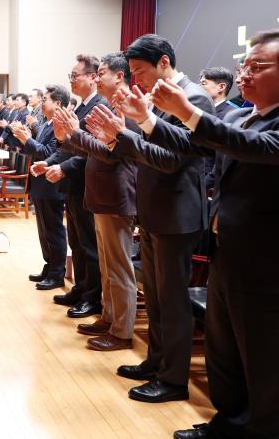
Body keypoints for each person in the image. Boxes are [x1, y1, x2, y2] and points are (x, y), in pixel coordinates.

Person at [120, 29, 279, 439]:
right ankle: (229, 422)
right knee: (222, 348)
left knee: (260, 356)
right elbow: (194, 145)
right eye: (244, 65)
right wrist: (147, 120)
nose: (244, 74)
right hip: (228, 249)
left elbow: (254, 148)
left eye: (257, 66)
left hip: (264, 260)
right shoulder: (242, 114)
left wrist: (187, 112)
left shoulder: (261, 126)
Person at [86, 33, 214, 404]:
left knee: (172, 300)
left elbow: (171, 160)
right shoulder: (156, 98)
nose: (136, 79)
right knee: (156, 298)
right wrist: (122, 134)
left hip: (178, 213)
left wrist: (125, 135)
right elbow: (150, 151)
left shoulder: (192, 96)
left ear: (163, 62)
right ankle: (156, 362)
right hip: (156, 209)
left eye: (140, 70)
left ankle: (173, 380)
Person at [53, 52, 138, 351]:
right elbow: (100, 149)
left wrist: (74, 134)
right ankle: (109, 317)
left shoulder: (127, 106)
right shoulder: (112, 105)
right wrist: (71, 136)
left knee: (119, 268)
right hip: (102, 194)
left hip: (117, 194)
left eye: (102, 72)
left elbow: (114, 153)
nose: (98, 77)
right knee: (107, 266)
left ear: (119, 76)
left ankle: (122, 330)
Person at [33, 54, 105, 319]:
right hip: (74, 187)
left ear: (92, 77)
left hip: (87, 183)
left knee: (88, 245)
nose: (72, 80)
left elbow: (91, 151)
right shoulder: (81, 108)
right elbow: (67, 146)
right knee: (77, 241)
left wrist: (62, 168)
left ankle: (92, 298)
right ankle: (81, 288)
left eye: (76, 75)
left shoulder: (100, 105)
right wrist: (48, 162)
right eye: (70, 76)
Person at [13, 85, 69, 290]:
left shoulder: (60, 125)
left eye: (45, 99)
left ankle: (57, 273)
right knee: (44, 231)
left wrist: (26, 139)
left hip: (51, 185)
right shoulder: (46, 123)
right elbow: (37, 151)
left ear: (58, 104)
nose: (41, 102)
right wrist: (26, 139)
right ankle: (49, 265)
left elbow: (47, 153)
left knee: (54, 230)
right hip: (39, 182)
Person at [199, 67, 238, 190]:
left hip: (210, 186)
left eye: (204, 83)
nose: (198, 87)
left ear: (221, 87)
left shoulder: (233, 114)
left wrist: (205, 184)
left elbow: (222, 157)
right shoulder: (199, 110)